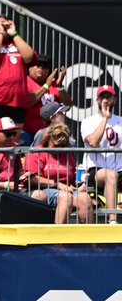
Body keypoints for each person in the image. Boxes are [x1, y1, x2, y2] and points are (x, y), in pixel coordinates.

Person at [25, 122, 90, 225]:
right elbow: (32, 179)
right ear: (48, 139)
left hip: (67, 190)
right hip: (45, 190)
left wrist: (81, 183)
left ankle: (90, 239)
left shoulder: (67, 155)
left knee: (85, 198)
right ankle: (59, 239)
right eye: (56, 145)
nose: (59, 148)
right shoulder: (37, 152)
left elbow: (73, 179)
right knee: (66, 197)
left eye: (62, 145)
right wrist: (57, 184)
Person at [81, 86, 122, 224]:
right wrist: (105, 118)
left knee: (113, 174)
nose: (106, 100)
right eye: (103, 97)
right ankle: (112, 220)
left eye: (108, 97)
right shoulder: (88, 121)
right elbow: (93, 142)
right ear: (97, 100)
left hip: (119, 170)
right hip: (97, 171)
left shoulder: (120, 121)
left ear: (114, 100)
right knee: (110, 175)